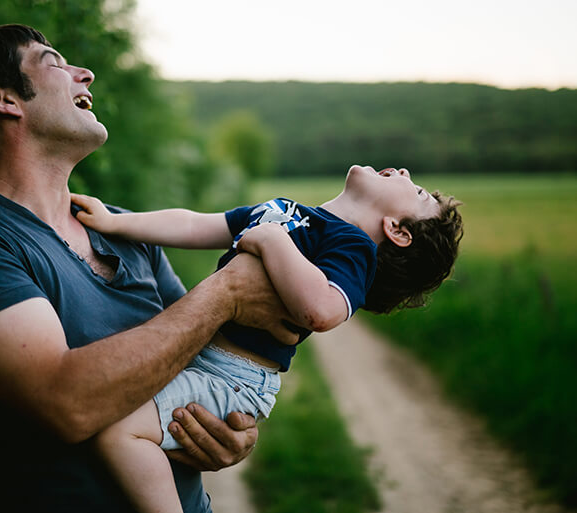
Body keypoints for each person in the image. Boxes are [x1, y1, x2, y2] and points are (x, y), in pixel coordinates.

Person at [0, 24, 300, 513]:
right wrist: (223, 293)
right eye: (54, 62)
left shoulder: (128, 231)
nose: (85, 74)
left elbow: (205, 365)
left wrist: (230, 427)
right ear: (3, 98)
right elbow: (66, 404)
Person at [71, 164, 464, 513]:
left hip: (232, 377)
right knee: (120, 397)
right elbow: (195, 224)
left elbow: (324, 310)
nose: (406, 174)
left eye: (417, 193)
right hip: (204, 359)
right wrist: (116, 222)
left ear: (396, 229)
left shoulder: (352, 247)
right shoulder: (288, 211)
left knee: (121, 428)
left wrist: (270, 241)